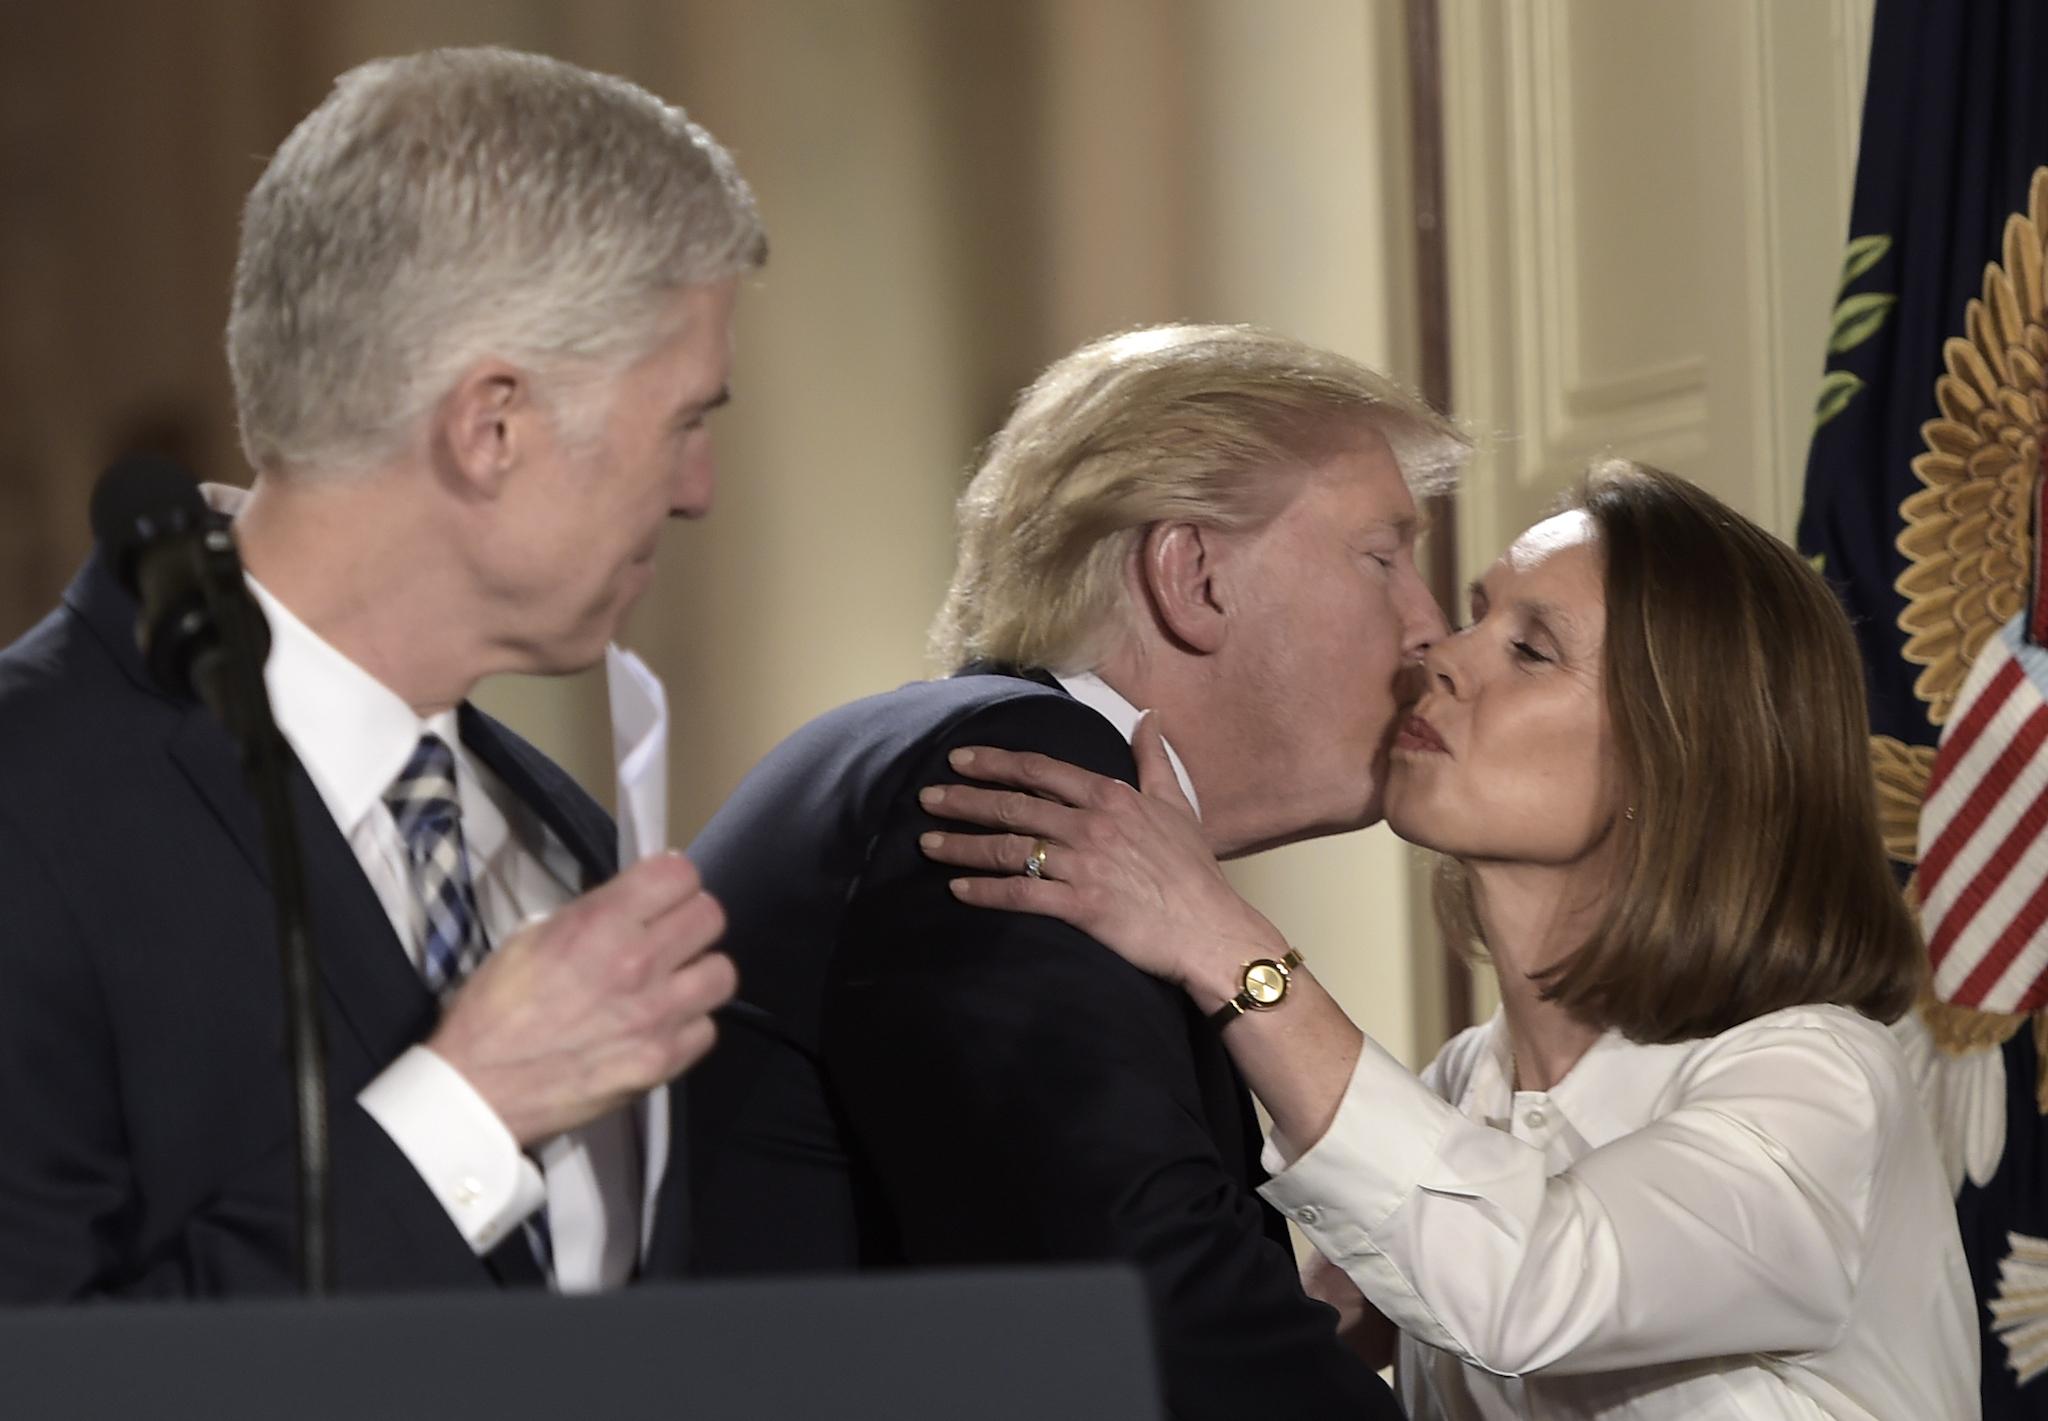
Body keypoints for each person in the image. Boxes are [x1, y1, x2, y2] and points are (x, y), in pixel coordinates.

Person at [920, 459, 1980, 1419]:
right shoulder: (1463, 1083)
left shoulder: (1821, 1080)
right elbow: (1260, 1350)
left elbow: (1527, 1280)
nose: (1439, 653)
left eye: (1528, 647)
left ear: (1676, 760)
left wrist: (1221, 938)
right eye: (1477, 615)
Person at [0, 46, 760, 1298]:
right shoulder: (31, 807)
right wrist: (468, 1108)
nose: (698, 489)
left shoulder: (558, 836)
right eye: (684, 418)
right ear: (491, 425)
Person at [685, 323, 1470, 1419]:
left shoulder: (962, 750)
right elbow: (1143, 1318)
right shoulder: (1019, 776)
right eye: (1382, 557)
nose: (1430, 630)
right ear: (1191, 573)